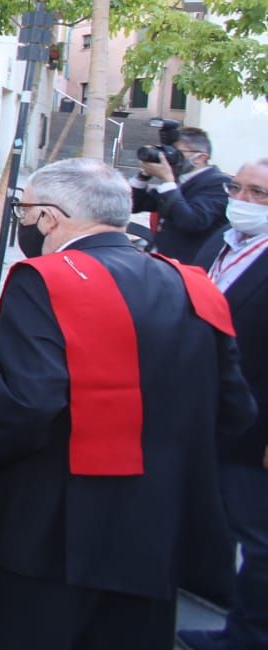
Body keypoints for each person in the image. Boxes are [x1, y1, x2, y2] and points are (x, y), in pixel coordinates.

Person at [0, 158, 255, 650]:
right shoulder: (194, 285)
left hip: (46, 533)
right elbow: (235, 412)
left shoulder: (45, 279)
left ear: (49, 217)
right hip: (152, 533)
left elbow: (29, 400)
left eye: (25, 212)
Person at [180, 160, 268, 650]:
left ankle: (249, 639)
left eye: (259, 193)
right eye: (237, 187)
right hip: (201, 411)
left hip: (253, 429)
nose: (244, 200)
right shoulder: (222, 240)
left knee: (259, 541)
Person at [131, 126, 230, 265]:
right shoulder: (178, 181)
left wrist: (168, 181)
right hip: (159, 263)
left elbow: (191, 222)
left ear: (200, 158)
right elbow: (134, 205)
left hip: (187, 268)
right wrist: (143, 176)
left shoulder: (218, 183)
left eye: (175, 153)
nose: (168, 157)